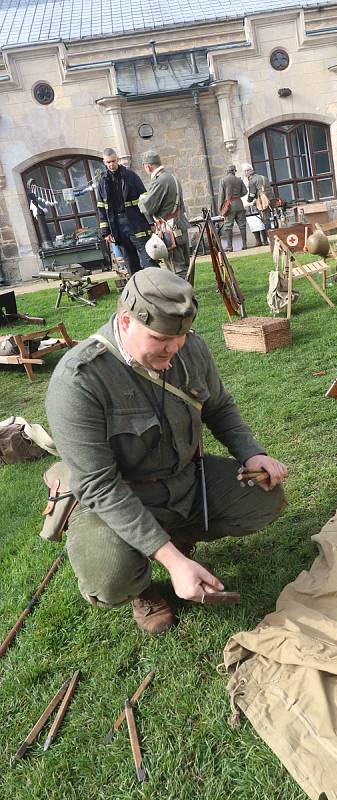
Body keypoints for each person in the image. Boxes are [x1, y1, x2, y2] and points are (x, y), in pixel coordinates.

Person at [45, 269, 287, 634]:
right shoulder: (79, 380)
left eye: (181, 336)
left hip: (186, 479)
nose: (174, 349)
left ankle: (177, 537)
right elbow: (99, 486)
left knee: (265, 501)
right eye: (160, 338)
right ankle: (143, 588)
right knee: (109, 578)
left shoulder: (191, 347)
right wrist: (172, 563)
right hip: (118, 496)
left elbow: (218, 407)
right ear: (126, 321)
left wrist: (251, 454)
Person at [96, 148, 157, 276]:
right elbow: (101, 207)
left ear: (117, 159)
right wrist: (105, 232)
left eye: (113, 161)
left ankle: (158, 284)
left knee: (148, 257)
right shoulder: (102, 181)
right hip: (118, 226)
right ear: (104, 162)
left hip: (137, 222)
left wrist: (151, 221)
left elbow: (144, 198)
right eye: (108, 162)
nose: (111, 164)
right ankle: (137, 289)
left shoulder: (131, 176)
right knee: (130, 261)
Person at [138, 150, 191, 280]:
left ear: (148, 166)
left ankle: (183, 298)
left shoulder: (160, 181)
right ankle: (187, 296)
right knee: (182, 265)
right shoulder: (172, 177)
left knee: (175, 268)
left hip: (169, 228)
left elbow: (148, 207)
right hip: (179, 223)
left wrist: (141, 200)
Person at [243, 163, 276, 246]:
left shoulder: (252, 180)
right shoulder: (263, 177)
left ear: (250, 171)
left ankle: (270, 239)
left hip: (263, 201)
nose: (246, 173)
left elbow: (252, 194)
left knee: (266, 220)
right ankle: (277, 235)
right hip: (271, 198)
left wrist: (249, 200)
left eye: (246, 171)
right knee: (275, 217)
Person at [218, 165, 248, 252]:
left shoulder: (223, 180)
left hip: (229, 205)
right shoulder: (239, 180)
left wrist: (220, 208)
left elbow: (221, 196)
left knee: (228, 226)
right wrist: (238, 196)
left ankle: (230, 246)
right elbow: (245, 192)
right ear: (234, 171)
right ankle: (245, 244)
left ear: (227, 171)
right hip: (239, 204)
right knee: (242, 225)